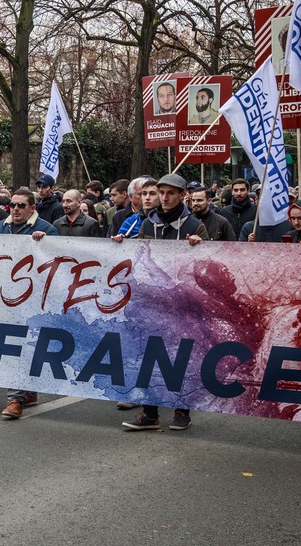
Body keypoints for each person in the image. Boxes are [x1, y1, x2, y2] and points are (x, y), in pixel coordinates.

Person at [120, 174, 206, 431]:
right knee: (151, 354)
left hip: (183, 303)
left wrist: (200, 246)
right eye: (162, 192)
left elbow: (206, 265)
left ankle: (182, 411)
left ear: (182, 195)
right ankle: (150, 411)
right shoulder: (148, 224)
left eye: (171, 193)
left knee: (183, 356)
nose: (165, 198)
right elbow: (140, 257)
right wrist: (120, 245)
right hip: (154, 302)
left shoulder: (195, 226)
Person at [0, 188, 58, 419]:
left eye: (22, 205)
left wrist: (46, 243)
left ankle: (15, 399)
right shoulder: (0, 227)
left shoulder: (47, 229)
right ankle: (25, 392)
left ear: (33, 208)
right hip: (4, 296)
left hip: (32, 299)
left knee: (20, 345)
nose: (16, 209)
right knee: (14, 345)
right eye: (13, 205)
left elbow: (57, 263)